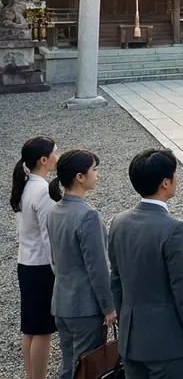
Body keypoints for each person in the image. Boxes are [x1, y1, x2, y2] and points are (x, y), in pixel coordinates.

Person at [109, 148, 183, 379]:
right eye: (174, 174)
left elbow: (116, 280)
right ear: (165, 182)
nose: (177, 178)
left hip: (132, 338)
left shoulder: (118, 222)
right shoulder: (173, 229)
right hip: (166, 341)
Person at [46, 149, 115, 379]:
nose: (97, 175)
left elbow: (54, 258)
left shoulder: (54, 211)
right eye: (93, 170)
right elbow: (97, 268)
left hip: (61, 301)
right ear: (80, 177)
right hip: (85, 306)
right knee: (87, 369)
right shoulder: (88, 216)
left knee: (68, 366)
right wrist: (109, 307)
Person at [12, 136, 60, 379]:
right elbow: (48, 237)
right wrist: (59, 270)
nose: (57, 156)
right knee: (42, 330)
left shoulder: (25, 184)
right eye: (54, 152)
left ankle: (32, 376)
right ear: (44, 159)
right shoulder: (43, 191)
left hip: (25, 263)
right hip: (41, 266)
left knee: (29, 327)